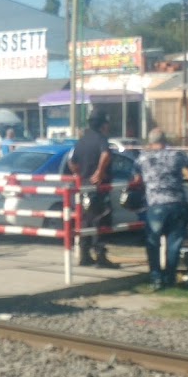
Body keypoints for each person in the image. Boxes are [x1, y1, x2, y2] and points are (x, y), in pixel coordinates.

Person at [136, 127, 188, 290]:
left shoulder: (142, 158)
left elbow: (136, 177)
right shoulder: (176, 155)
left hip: (155, 205)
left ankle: (156, 278)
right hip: (177, 203)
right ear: (165, 141)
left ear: (150, 142)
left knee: (153, 243)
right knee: (173, 244)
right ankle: (169, 277)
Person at [69, 111, 118, 268]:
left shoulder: (81, 141)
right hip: (98, 188)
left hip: (84, 186)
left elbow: (72, 162)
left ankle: (84, 256)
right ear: (103, 124)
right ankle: (101, 257)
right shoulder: (101, 139)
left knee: (86, 221)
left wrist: (79, 174)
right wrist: (99, 172)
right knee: (101, 221)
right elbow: (106, 155)